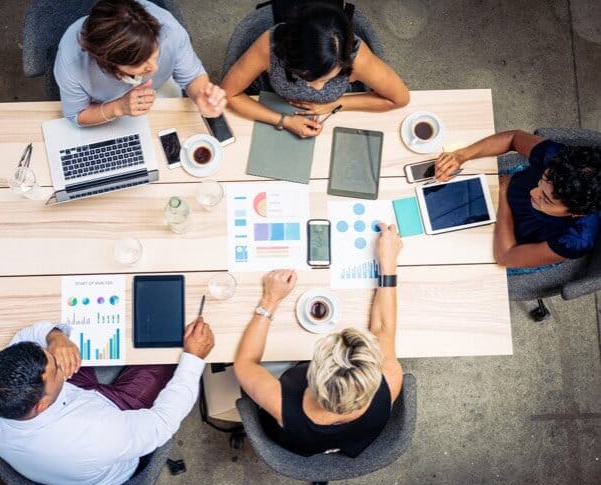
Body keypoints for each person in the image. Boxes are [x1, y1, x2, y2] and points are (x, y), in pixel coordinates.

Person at [0, 317, 214, 485]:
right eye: (57, 370)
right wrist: (194, 358)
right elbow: (161, 423)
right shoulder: (96, 434)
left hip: (68, 420)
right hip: (101, 446)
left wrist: (55, 337)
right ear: (41, 404)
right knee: (166, 352)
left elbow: (23, 337)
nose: (59, 359)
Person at [233, 223, 403, 456]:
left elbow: (245, 363)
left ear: (312, 374)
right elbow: (382, 327)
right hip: (352, 438)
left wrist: (270, 299)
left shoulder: (282, 405)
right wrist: (388, 263)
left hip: (295, 439)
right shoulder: (390, 381)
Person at [221, 2, 409, 139]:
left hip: (338, 118)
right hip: (274, 104)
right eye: (307, 77)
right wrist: (284, 121)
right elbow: (228, 94)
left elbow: (400, 98)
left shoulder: (356, 56)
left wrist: (335, 105)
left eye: (329, 78)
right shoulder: (270, 46)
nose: (317, 88)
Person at [434, 130, 601, 272]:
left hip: (514, 242)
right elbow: (513, 138)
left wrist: (504, 195)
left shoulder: (577, 239)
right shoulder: (556, 160)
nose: (532, 192)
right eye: (540, 181)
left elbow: (505, 256)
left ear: (576, 212)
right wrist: (461, 155)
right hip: (504, 188)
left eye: (546, 199)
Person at [54, 0, 226, 126]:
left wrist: (200, 96)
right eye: (140, 63)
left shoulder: (170, 32)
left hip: (158, 92)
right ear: (107, 61)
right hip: (102, 105)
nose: (155, 68)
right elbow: (77, 115)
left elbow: (192, 77)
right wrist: (118, 108)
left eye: (155, 55)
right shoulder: (71, 64)